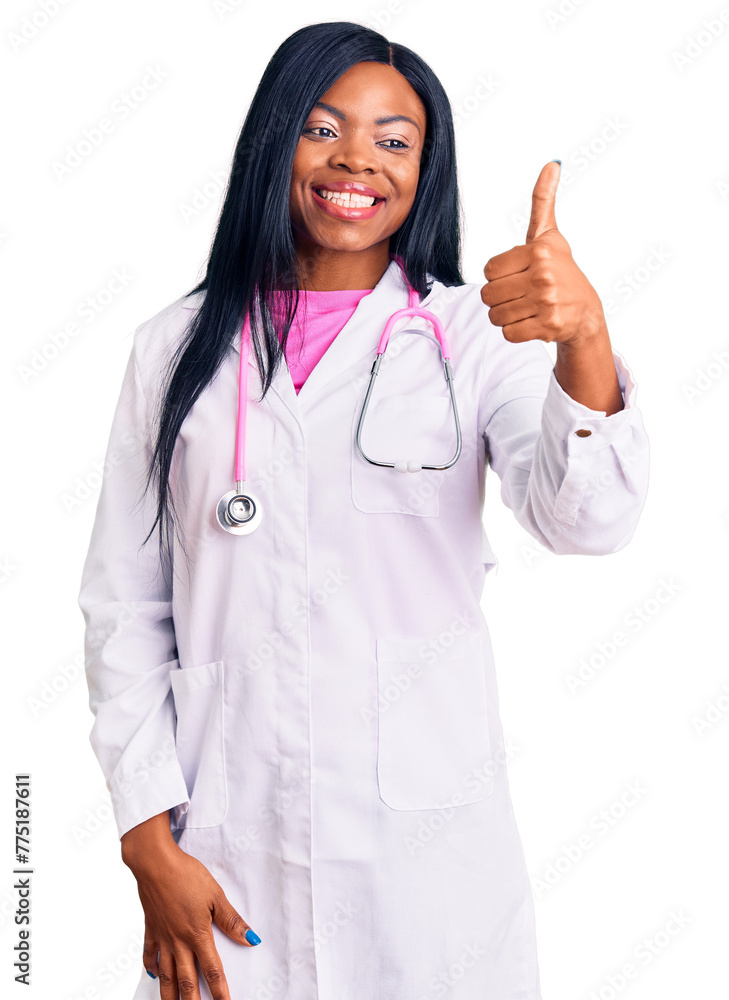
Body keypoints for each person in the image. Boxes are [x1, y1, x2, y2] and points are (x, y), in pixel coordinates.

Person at [78, 20, 649, 1000]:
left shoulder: (474, 338)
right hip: (225, 855)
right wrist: (146, 844)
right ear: (275, 142)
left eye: (395, 140)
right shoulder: (172, 351)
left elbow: (585, 521)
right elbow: (125, 611)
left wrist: (583, 335)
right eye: (324, 127)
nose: (357, 160)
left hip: (425, 874)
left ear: (426, 171)